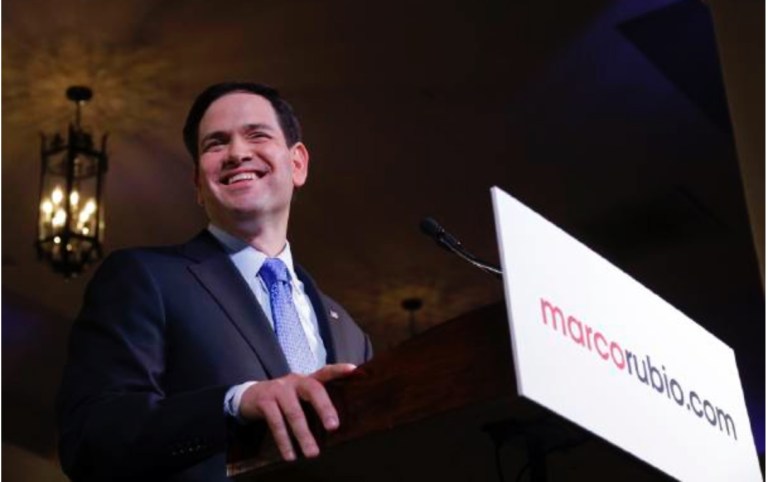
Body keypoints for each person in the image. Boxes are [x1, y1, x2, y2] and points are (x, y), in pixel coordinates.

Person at [56, 82, 373, 482]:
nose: (237, 153)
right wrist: (234, 402)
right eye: (215, 144)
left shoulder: (351, 333)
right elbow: (90, 438)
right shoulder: (144, 277)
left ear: (298, 164)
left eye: (257, 134)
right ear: (198, 185)